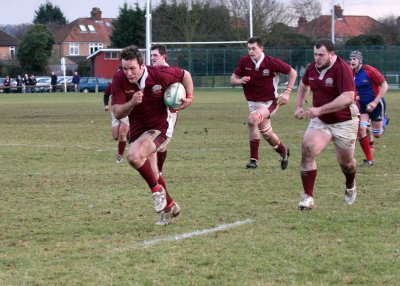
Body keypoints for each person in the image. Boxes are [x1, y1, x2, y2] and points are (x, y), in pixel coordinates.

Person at [111, 45, 194, 225]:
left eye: (132, 68)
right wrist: (132, 103)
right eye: (125, 68)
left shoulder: (159, 74)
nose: (129, 73)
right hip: (138, 129)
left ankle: (157, 191)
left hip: (160, 127)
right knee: (153, 171)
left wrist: (189, 97)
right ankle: (170, 206)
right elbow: (117, 112)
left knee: (134, 157)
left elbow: (185, 75)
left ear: (142, 66)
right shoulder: (119, 79)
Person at [294, 39, 359, 210]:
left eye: (321, 55)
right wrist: (299, 106)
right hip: (321, 121)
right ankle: (308, 197)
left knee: (346, 163)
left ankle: (350, 185)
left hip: (345, 121)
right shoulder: (312, 67)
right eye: (315, 54)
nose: (317, 58)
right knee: (308, 149)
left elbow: (347, 98)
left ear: (332, 53)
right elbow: (303, 85)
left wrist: (320, 109)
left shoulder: (342, 68)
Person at [230, 36, 297, 170]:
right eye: (249, 49)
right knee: (267, 134)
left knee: (252, 120)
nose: (251, 51)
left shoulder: (271, 62)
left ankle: (254, 160)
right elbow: (233, 79)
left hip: (269, 103)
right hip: (252, 104)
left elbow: (292, 73)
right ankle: (283, 151)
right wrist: (240, 80)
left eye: (254, 48)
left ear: (261, 48)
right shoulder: (244, 62)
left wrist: (287, 92)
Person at [349, 50, 389, 166]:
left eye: (354, 59)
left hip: (376, 104)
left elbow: (384, 86)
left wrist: (375, 103)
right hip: (362, 106)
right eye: (350, 59)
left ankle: (384, 122)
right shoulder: (351, 73)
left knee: (377, 134)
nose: (352, 61)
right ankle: (369, 159)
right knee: (361, 130)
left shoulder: (369, 70)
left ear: (359, 60)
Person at [150, 44, 174, 174]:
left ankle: (158, 171)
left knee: (160, 145)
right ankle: (157, 172)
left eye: (155, 55)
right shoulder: (150, 72)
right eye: (151, 55)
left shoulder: (170, 73)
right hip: (152, 113)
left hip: (168, 113)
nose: (152, 58)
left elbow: (176, 94)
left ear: (163, 56)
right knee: (155, 145)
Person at [103, 82, 129, 163]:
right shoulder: (112, 84)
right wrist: (106, 105)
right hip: (114, 112)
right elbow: (106, 95)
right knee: (115, 137)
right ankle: (130, 132)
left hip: (125, 111)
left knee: (122, 134)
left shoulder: (128, 84)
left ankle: (119, 156)